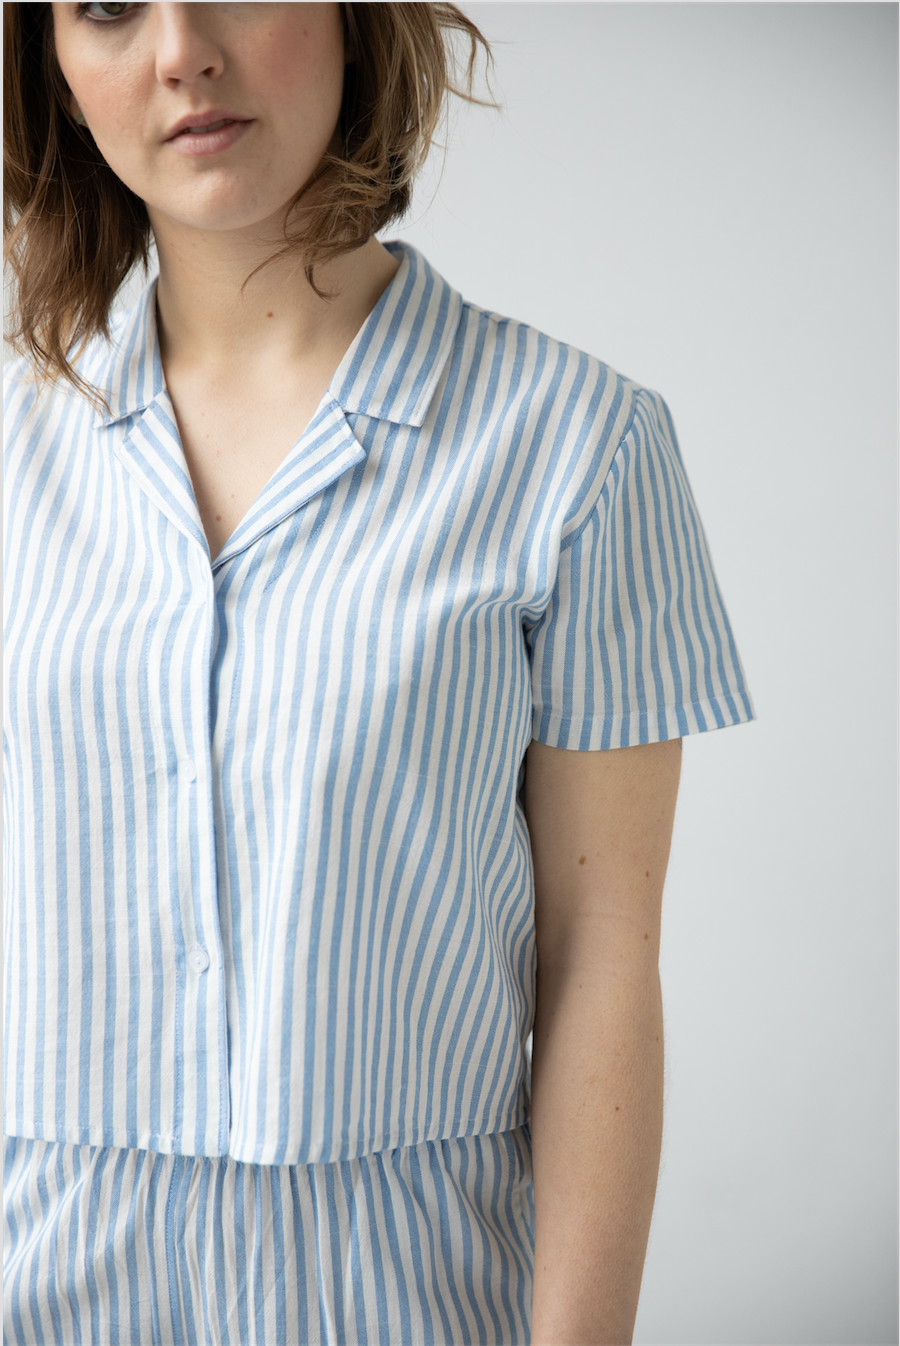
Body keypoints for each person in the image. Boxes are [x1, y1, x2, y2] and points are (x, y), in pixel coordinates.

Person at [2, 4, 757, 1344]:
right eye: (107, 3)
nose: (181, 51)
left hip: (403, 1295)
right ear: (45, 65)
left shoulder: (579, 450)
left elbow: (602, 963)